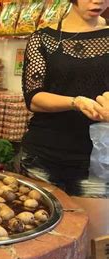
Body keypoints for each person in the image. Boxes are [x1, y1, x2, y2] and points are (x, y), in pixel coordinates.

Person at [20, 0, 109, 195]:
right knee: (42, 221)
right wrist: (75, 102)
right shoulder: (43, 38)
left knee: (93, 225)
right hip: (44, 154)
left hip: (97, 159)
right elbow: (33, 97)